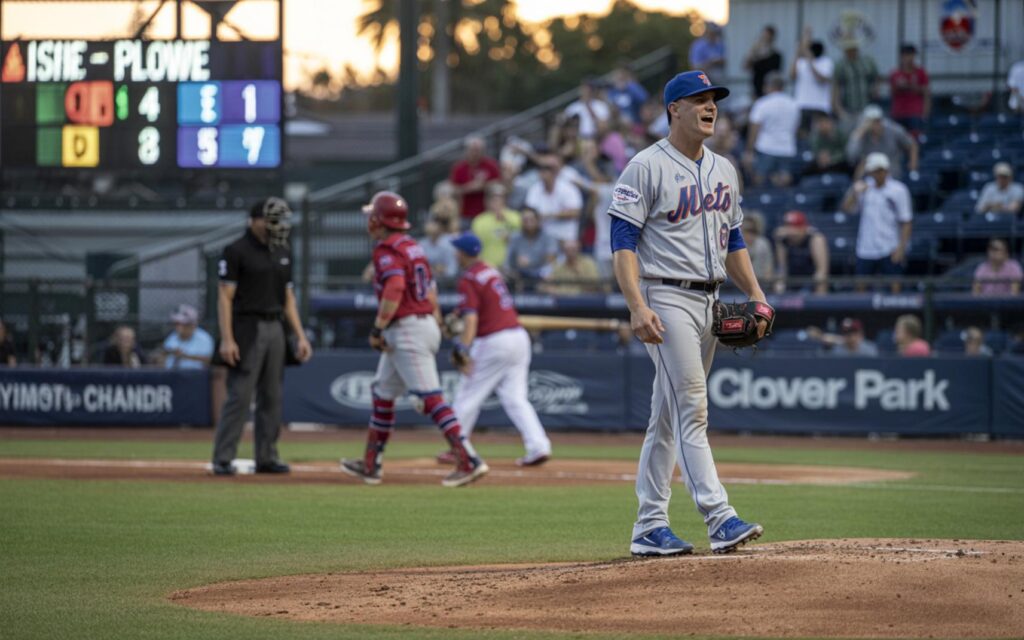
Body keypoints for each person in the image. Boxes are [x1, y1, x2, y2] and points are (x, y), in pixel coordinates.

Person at [609, 69, 766, 557]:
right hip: (665, 295)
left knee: (667, 417)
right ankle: (719, 518)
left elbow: (733, 240)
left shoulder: (725, 169)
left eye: (713, 99)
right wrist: (637, 305)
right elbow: (623, 243)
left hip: (710, 300)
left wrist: (758, 294)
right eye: (697, 98)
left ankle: (649, 526)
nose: (709, 106)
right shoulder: (644, 165)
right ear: (673, 109)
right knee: (692, 408)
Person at [340, 191, 489, 488]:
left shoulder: (387, 250)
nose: (370, 220)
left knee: (430, 397)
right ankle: (371, 464)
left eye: (373, 214)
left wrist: (378, 327)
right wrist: (433, 322)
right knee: (383, 392)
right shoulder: (413, 246)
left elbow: (395, 287)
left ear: (381, 220)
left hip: (406, 327)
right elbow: (430, 290)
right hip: (418, 323)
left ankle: (468, 459)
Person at [212, 197, 313, 476]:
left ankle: (267, 456)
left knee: (273, 396)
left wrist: (301, 336)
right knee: (240, 395)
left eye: (279, 220)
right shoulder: (236, 250)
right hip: (247, 326)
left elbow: (288, 298)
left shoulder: (283, 250)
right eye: (270, 220)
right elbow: (224, 297)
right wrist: (227, 338)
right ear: (254, 221)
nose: (276, 226)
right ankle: (223, 457)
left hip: (276, 326)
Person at [442, 232, 553, 467]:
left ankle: (457, 447)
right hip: (518, 336)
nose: (454, 253)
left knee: (467, 394)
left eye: (457, 249)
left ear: (463, 253)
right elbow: (476, 308)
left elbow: (471, 320)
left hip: (494, 340)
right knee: (515, 398)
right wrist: (459, 312)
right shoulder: (490, 270)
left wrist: (462, 346)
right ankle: (538, 445)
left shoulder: (469, 278)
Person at [842, 153, 913, 282]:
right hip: (866, 248)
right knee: (861, 285)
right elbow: (847, 209)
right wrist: (854, 191)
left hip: (890, 246)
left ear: (887, 170)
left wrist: (901, 248)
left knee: (894, 285)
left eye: (881, 170)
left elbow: (906, 221)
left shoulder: (899, 190)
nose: (878, 174)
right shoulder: (864, 188)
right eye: (875, 171)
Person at [744, 72, 800, 187]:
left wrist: (749, 151)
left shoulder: (762, 103)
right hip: (787, 148)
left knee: (759, 180)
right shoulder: (794, 104)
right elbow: (795, 128)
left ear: (768, 86)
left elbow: (754, 129)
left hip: (766, 148)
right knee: (784, 181)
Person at [845, 105, 918, 179]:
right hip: (868, 174)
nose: (876, 124)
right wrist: (859, 133)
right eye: (872, 122)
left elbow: (912, 144)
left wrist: (913, 165)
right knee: (860, 170)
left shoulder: (893, 129)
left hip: (891, 171)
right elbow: (851, 157)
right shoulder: (862, 133)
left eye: (878, 121)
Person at [523, 157, 583, 244]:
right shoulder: (535, 189)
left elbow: (576, 213)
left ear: (553, 174)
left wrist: (549, 215)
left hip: (565, 237)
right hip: (542, 238)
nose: (543, 174)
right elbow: (529, 212)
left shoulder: (568, 188)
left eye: (546, 171)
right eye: (541, 171)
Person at [773, 210, 829, 294]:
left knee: (820, 281)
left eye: (795, 227)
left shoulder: (815, 239)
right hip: (791, 282)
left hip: (810, 283)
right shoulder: (782, 240)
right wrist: (779, 291)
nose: (791, 231)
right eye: (788, 227)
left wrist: (819, 298)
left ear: (804, 228)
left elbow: (821, 271)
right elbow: (782, 268)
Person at [449, 136, 502, 222]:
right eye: (472, 150)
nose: (475, 153)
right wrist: (469, 188)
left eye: (478, 150)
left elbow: (499, 183)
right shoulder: (459, 167)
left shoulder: (491, 165)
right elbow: (453, 189)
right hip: (464, 214)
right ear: (467, 150)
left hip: (487, 214)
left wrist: (483, 186)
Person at [790, 29, 834, 132]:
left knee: (818, 134)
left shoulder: (826, 62)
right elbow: (792, 76)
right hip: (802, 104)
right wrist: (797, 54)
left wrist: (810, 61)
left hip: (819, 106)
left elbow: (821, 79)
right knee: (802, 134)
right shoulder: (801, 62)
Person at [504, 209, 559, 288]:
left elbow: (550, 260)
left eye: (531, 219)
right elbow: (508, 261)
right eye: (525, 220)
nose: (528, 223)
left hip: (541, 274)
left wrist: (530, 262)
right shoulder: (515, 237)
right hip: (519, 275)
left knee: (549, 277)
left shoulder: (548, 237)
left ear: (538, 220)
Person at [471, 183, 522, 269]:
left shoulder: (515, 217)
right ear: (487, 200)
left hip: (510, 268)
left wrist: (505, 218)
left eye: (500, 197)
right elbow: (475, 247)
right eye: (493, 198)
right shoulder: (479, 221)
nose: (497, 201)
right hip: (487, 267)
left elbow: (522, 239)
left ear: (505, 199)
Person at [832, 39, 880, 125]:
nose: (850, 52)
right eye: (848, 49)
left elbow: (876, 78)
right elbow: (836, 87)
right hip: (848, 108)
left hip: (866, 106)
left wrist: (875, 89)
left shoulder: (867, 62)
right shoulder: (840, 65)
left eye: (853, 49)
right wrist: (838, 108)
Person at [889, 44, 930, 137]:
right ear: (902, 57)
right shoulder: (895, 74)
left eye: (911, 55)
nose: (909, 58)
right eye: (906, 55)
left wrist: (925, 113)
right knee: (898, 141)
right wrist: (899, 86)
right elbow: (892, 92)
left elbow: (926, 93)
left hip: (915, 113)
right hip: (898, 113)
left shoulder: (920, 73)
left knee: (915, 140)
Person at [159, 304, 214, 369]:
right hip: (172, 375)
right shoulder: (173, 337)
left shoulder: (204, 338)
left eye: (183, 324)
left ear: (193, 324)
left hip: (196, 375)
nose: (178, 327)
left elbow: (208, 360)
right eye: (176, 323)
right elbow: (163, 359)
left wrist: (184, 355)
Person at [743, 25, 782, 99]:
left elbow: (776, 74)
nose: (765, 39)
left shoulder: (776, 56)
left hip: (771, 93)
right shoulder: (755, 55)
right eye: (764, 36)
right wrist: (753, 53)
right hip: (756, 91)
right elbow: (745, 67)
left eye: (767, 37)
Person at [806, 317, 879, 356]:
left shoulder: (869, 350)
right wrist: (825, 346)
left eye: (853, 332)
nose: (850, 336)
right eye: (847, 333)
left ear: (860, 334)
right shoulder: (837, 350)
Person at [741, 212, 774, 284]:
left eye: (751, 230)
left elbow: (768, 266)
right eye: (746, 230)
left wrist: (767, 283)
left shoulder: (763, 243)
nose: (748, 233)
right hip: (739, 282)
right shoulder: (736, 243)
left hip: (760, 282)